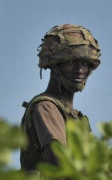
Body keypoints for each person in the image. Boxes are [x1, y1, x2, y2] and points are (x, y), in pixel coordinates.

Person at [20, 24, 101, 172]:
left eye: (84, 63)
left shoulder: (74, 116)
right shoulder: (46, 107)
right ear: (54, 66)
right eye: (71, 62)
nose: (80, 70)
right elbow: (60, 161)